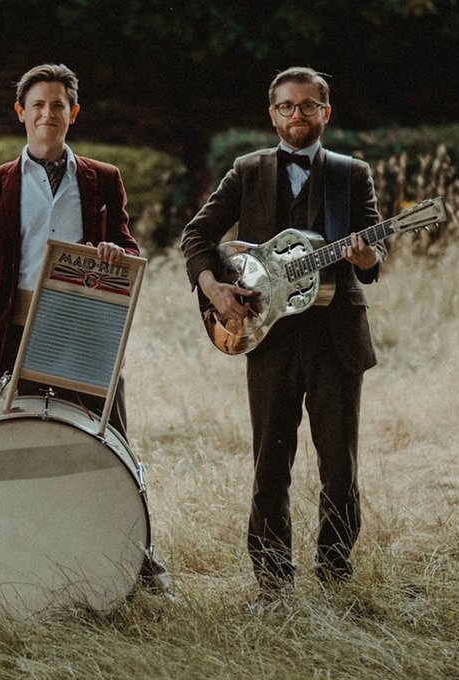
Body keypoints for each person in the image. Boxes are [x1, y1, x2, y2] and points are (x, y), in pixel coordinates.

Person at [0, 63, 172, 595]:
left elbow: (129, 249)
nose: (48, 114)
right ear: (21, 113)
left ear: (73, 113)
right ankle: (17, 566)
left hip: (84, 333)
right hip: (12, 340)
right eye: (38, 105)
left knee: (108, 445)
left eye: (58, 105)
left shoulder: (103, 178)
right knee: (15, 450)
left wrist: (118, 252)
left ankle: (137, 561)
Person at [180, 67, 385, 596]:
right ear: (273, 114)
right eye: (288, 106)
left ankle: (336, 574)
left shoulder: (351, 173)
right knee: (271, 460)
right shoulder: (247, 171)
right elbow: (197, 235)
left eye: (309, 106)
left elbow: (373, 254)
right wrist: (214, 288)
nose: (299, 115)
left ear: (326, 112)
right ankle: (272, 581)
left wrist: (367, 252)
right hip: (267, 335)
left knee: (340, 464)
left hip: (335, 334)